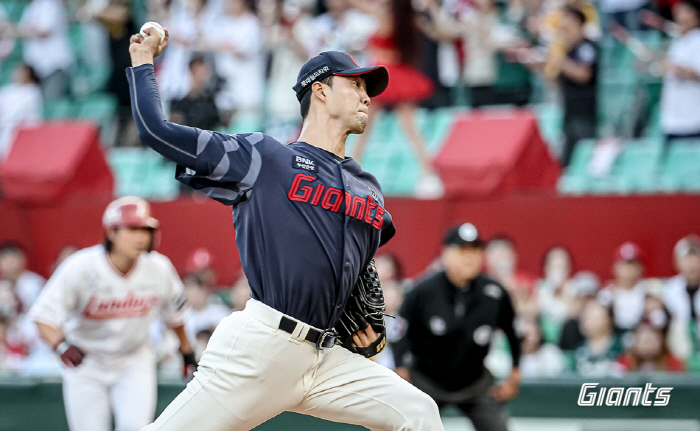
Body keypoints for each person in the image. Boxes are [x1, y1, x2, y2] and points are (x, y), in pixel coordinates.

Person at [126, 23, 443, 430]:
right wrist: (142, 61)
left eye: (368, 88)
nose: (367, 96)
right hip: (262, 347)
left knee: (418, 413)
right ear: (321, 91)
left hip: (324, 359)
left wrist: (365, 324)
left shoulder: (369, 189)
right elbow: (157, 131)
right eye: (355, 85)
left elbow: (357, 274)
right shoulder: (265, 157)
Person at [27, 196, 196, 431]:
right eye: (133, 228)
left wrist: (186, 351)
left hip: (133, 360)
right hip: (86, 362)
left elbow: (175, 316)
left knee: (135, 427)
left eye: (146, 229)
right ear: (111, 232)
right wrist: (60, 345)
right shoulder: (81, 266)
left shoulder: (159, 268)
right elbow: (44, 316)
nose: (141, 236)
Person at [392, 223, 521, 431]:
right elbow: (399, 332)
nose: (469, 257)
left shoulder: (494, 293)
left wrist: (515, 372)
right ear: (446, 254)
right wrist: (400, 369)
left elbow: (514, 333)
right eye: (462, 250)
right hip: (426, 380)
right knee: (402, 427)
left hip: (474, 382)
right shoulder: (423, 291)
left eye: (475, 250)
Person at [659, 0, 700, 143]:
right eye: (677, 13)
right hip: (673, 121)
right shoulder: (678, 42)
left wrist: (677, 69)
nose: (679, 18)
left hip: (694, 120)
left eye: (684, 12)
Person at [0, 63, 43, 161]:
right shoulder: (7, 90)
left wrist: (4, 120)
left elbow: (19, 113)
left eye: (22, 72)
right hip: (6, 128)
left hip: (24, 129)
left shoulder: (32, 91)